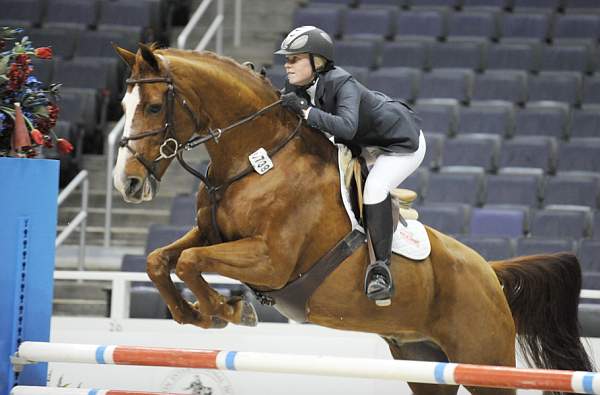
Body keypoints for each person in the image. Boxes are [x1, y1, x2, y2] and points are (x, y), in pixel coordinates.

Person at [274, 26, 426, 305]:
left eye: (294, 58)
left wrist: (306, 110)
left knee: (375, 188)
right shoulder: (297, 86)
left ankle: (380, 270)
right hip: (362, 142)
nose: (287, 63)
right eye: (287, 58)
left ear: (317, 62)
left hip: (398, 143)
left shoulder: (343, 83)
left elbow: (346, 125)